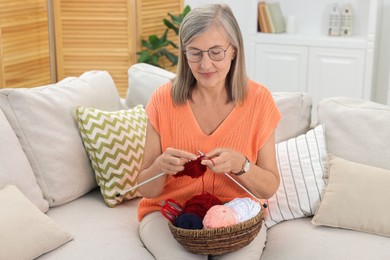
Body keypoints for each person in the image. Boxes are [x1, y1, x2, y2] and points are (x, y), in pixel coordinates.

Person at [137, 3, 281, 260]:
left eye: (216, 52)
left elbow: (269, 187)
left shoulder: (259, 101)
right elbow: (145, 188)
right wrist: (160, 166)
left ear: (234, 50)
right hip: (169, 213)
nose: (205, 64)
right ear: (184, 54)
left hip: (237, 214)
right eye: (195, 53)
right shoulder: (162, 100)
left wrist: (242, 165)